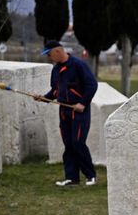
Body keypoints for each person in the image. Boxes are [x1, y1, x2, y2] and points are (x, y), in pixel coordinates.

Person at [37, 40, 99, 186]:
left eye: (49, 54)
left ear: (58, 51)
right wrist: (43, 98)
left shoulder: (79, 65)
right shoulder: (56, 70)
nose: (49, 57)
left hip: (79, 112)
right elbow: (55, 91)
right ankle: (72, 178)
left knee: (78, 143)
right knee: (69, 145)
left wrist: (83, 103)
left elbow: (92, 85)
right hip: (64, 112)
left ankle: (91, 176)